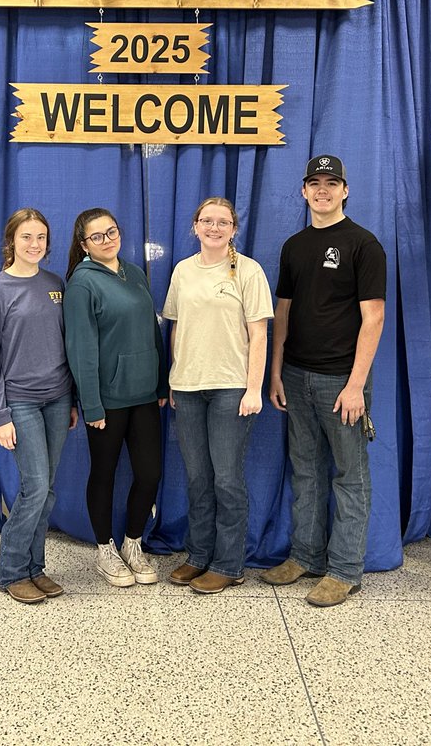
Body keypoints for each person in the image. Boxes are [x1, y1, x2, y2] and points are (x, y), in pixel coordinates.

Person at [266, 155, 386, 608]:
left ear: (345, 190)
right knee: (306, 470)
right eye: (314, 183)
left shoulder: (363, 244)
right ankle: (305, 556)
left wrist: (356, 385)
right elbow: (283, 312)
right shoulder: (294, 246)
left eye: (331, 183)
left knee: (349, 475)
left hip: (342, 382)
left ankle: (344, 570)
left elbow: (372, 320)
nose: (323, 190)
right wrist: (276, 372)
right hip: (295, 377)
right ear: (303, 191)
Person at [162, 197, 273, 594]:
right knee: (197, 478)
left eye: (222, 221)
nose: (214, 227)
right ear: (195, 226)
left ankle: (229, 564)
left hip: (231, 388)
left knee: (226, 479)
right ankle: (198, 555)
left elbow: (259, 333)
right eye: (206, 220)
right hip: (188, 388)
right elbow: (176, 327)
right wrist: (175, 378)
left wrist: (254, 388)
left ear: (234, 229)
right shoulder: (182, 271)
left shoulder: (249, 271)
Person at [0, 208, 77, 605]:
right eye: (26, 237)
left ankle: (36, 568)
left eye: (40, 238)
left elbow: (67, 347)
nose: (34, 244)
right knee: (34, 487)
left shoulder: (56, 284)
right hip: (19, 401)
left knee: (47, 489)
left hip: (58, 399)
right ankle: (12, 571)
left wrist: (71, 401)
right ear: (11, 242)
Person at [63, 208, 168, 588]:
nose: (107, 240)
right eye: (98, 236)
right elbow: (81, 350)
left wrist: (160, 384)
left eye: (112, 232)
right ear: (83, 244)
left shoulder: (135, 273)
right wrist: (91, 403)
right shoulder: (81, 284)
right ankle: (105, 549)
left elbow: (150, 332)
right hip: (107, 400)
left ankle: (133, 543)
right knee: (104, 474)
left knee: (149, 472)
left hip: (143, 396)